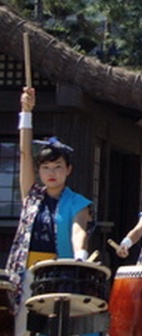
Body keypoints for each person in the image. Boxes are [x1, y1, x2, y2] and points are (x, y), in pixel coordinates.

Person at [7, 87, 92, 336]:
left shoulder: (78, 202)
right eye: (45, 167)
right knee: (23, 328)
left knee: (55, 328)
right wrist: (26, 113)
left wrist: (81, 254)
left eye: (57, 166)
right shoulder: (31, 196)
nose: (51, 172)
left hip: (58, 274)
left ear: (69, 170)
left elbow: (79, 229)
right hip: (27, 272)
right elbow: (24, 155)